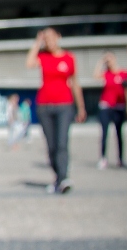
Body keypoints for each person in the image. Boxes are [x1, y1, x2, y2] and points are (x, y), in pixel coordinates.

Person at [26, 28, 86, 194]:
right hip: (44, 106)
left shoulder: (68, 58)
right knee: (51, 145)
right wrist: (37, 43)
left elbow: (75, 83)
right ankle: (58, 177)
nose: (50, 42)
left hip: (64, 105)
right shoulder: (43, 57)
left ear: (59, 37)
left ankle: (64, 177)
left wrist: (81, 107)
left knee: (61, 143)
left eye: (52, 38)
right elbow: (29, 63)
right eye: (47, 39)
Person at [93, 52, 127, 169]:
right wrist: (101, 61)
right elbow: (95, 76)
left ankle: (120, 159)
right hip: (106, 106)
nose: (109, 63)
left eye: (111, 60)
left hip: (119, 106)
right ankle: (103, 158)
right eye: (107, 61)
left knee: (119, 133)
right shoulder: (106, 74)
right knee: (104, 133)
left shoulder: (124, 73)